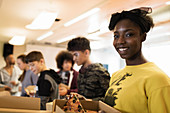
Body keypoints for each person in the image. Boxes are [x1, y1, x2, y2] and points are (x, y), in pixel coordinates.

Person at [104, 7, 170, 113]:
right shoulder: (116, 75)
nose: (120, 41)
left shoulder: (158, 79)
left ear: (142, 36)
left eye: (129, 34)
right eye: (116, 36)